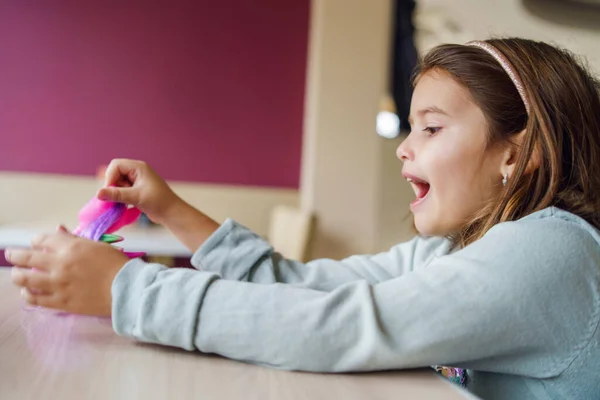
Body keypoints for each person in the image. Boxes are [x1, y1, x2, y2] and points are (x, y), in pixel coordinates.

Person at [6, 38, 600, 399]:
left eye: (432, 127)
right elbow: (300, 289)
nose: (404, 147)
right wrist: (169, 209)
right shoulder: (449, 252)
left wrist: (124, 290)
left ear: (517, 152)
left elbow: (338, 326)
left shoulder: (552, 253)